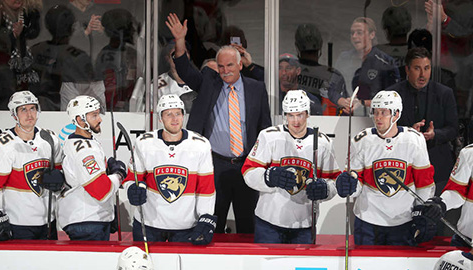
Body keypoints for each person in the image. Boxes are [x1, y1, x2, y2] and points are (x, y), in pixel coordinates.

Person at [166, 13, 271, 234]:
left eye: (230, 65)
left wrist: (263, 163)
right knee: (210, 223)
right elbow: (184, 69)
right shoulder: (209, 83)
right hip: (214, 164)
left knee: (248, 227)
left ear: (240, 64)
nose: (225, 71)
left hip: (247, 166)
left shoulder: (256, 88)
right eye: (221, 66)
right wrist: (179, 41)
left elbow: (265, 128)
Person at [336, 90, 436, 246]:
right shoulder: (362, 140)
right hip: (367, 221)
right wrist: (348, 185)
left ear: (396, 114)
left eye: (384, 112)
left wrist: (422, 211)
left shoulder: (414, 140)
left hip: (403, 221)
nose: (378, 117)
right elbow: (357, 185)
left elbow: (424, 183)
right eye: (375, 112)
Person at [242, 90, 340, 243]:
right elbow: (248, 172)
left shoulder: (322, 142)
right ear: (284, 115)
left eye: (300, 115)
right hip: (269, 223)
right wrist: (268, 177)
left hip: (305, 224)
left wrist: (325, 189)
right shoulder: (268, 136)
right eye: (290, 115)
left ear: (307, 114)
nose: (295, 121)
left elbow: (334, 180)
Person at [124, 94, 216, 244]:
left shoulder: (200, 145)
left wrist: (206, 217)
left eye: (178, 113)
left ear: (184, 116)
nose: (175, 119)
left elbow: (206, 188)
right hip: (149, 223)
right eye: (169, 114)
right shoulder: (144, 143)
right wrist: (132, 188)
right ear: (160, 118)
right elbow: (132, 178)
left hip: (186, 225)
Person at [0, 91, 63, 240]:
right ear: (14, 114)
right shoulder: (3, 144)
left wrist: (60, 182)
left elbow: (60, 177)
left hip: (48, 222)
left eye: (32, 108)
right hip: (17, 223)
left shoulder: (50, 139)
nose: (29, 114)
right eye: (23, 109)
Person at [388, 47, 458, 196]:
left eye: (426, 68)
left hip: (437, 167)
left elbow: (453, 128)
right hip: (403, 168)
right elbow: (385, 129)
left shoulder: (444, 93)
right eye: (417, 68)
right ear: (407, 69)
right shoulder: (392, 95)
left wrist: (435, 134)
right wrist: (408, 133)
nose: (422, 74)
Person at [57, 95, 126, 241]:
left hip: (90, 218)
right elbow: (101, 190)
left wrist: (108, 214)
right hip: (87, 221)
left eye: (98, 114)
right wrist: (119, 174)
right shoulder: (84, 151)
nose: (100, 119)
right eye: (94, 115)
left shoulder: (84, 142)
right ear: (79, 120)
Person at [30, 5, 101, 111]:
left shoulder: (35, 50)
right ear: (72, 27)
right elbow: (89, 93)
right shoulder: (79, 57)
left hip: (37, 111)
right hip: (68, 112)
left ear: (47, 25)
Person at [334, 17, 399, 115]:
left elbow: (393, 98)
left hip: (375, 120)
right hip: (345, 118)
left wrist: (363, 103)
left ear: (372, 34)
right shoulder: (343, 58)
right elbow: (331, 89)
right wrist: (341, 100)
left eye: (359, 32)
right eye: (352, 33)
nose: (354, 36)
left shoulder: (385, 62)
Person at [294, 23, 349, 115]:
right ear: (320, 46)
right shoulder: (334, 76)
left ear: (297, 47)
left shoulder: (289, 72)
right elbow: (346, 112)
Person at [95, 8, 138, 112]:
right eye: (130, 26)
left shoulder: (129, 52)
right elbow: (110, 92)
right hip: (114, 112)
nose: (133, 30)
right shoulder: (107, 55)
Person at [157, 41, 197, 113]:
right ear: (167, 58)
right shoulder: (157, 84)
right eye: (175, 54)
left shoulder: (200, 79)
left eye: (185, 53)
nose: (180, 57)